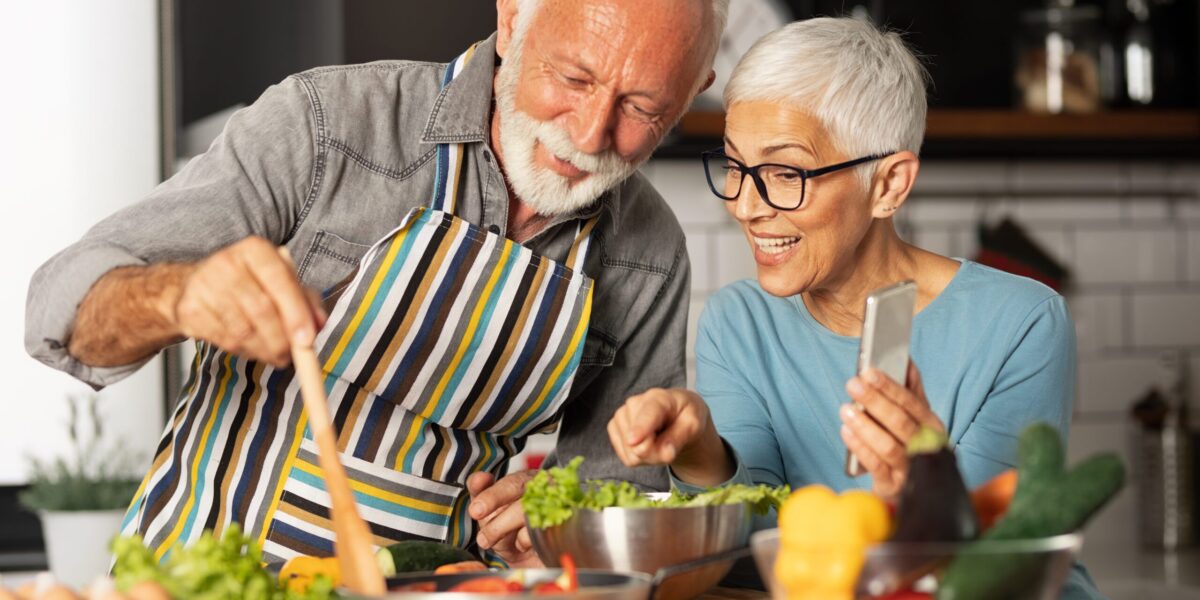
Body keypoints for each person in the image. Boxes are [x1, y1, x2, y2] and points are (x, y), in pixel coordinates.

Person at [25, 0, 728, 565]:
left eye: (643, 109)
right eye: (573, 78)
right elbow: (59, 309)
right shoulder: (330, 126)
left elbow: (621, 512)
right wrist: (178, 295)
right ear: (512, 19)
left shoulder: (649, 254)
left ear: (695, 90)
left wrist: (555, 522)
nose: (593, 132)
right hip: (198, 578)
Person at [606, 18, 1102, 598]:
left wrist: (925, 483)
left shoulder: (1022, 323)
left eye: (785, 173)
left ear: (889, 184)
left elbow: (992, 570)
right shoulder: (740, 322)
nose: (744, 206)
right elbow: (751, 554)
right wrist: (701, 452)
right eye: (737, 167)